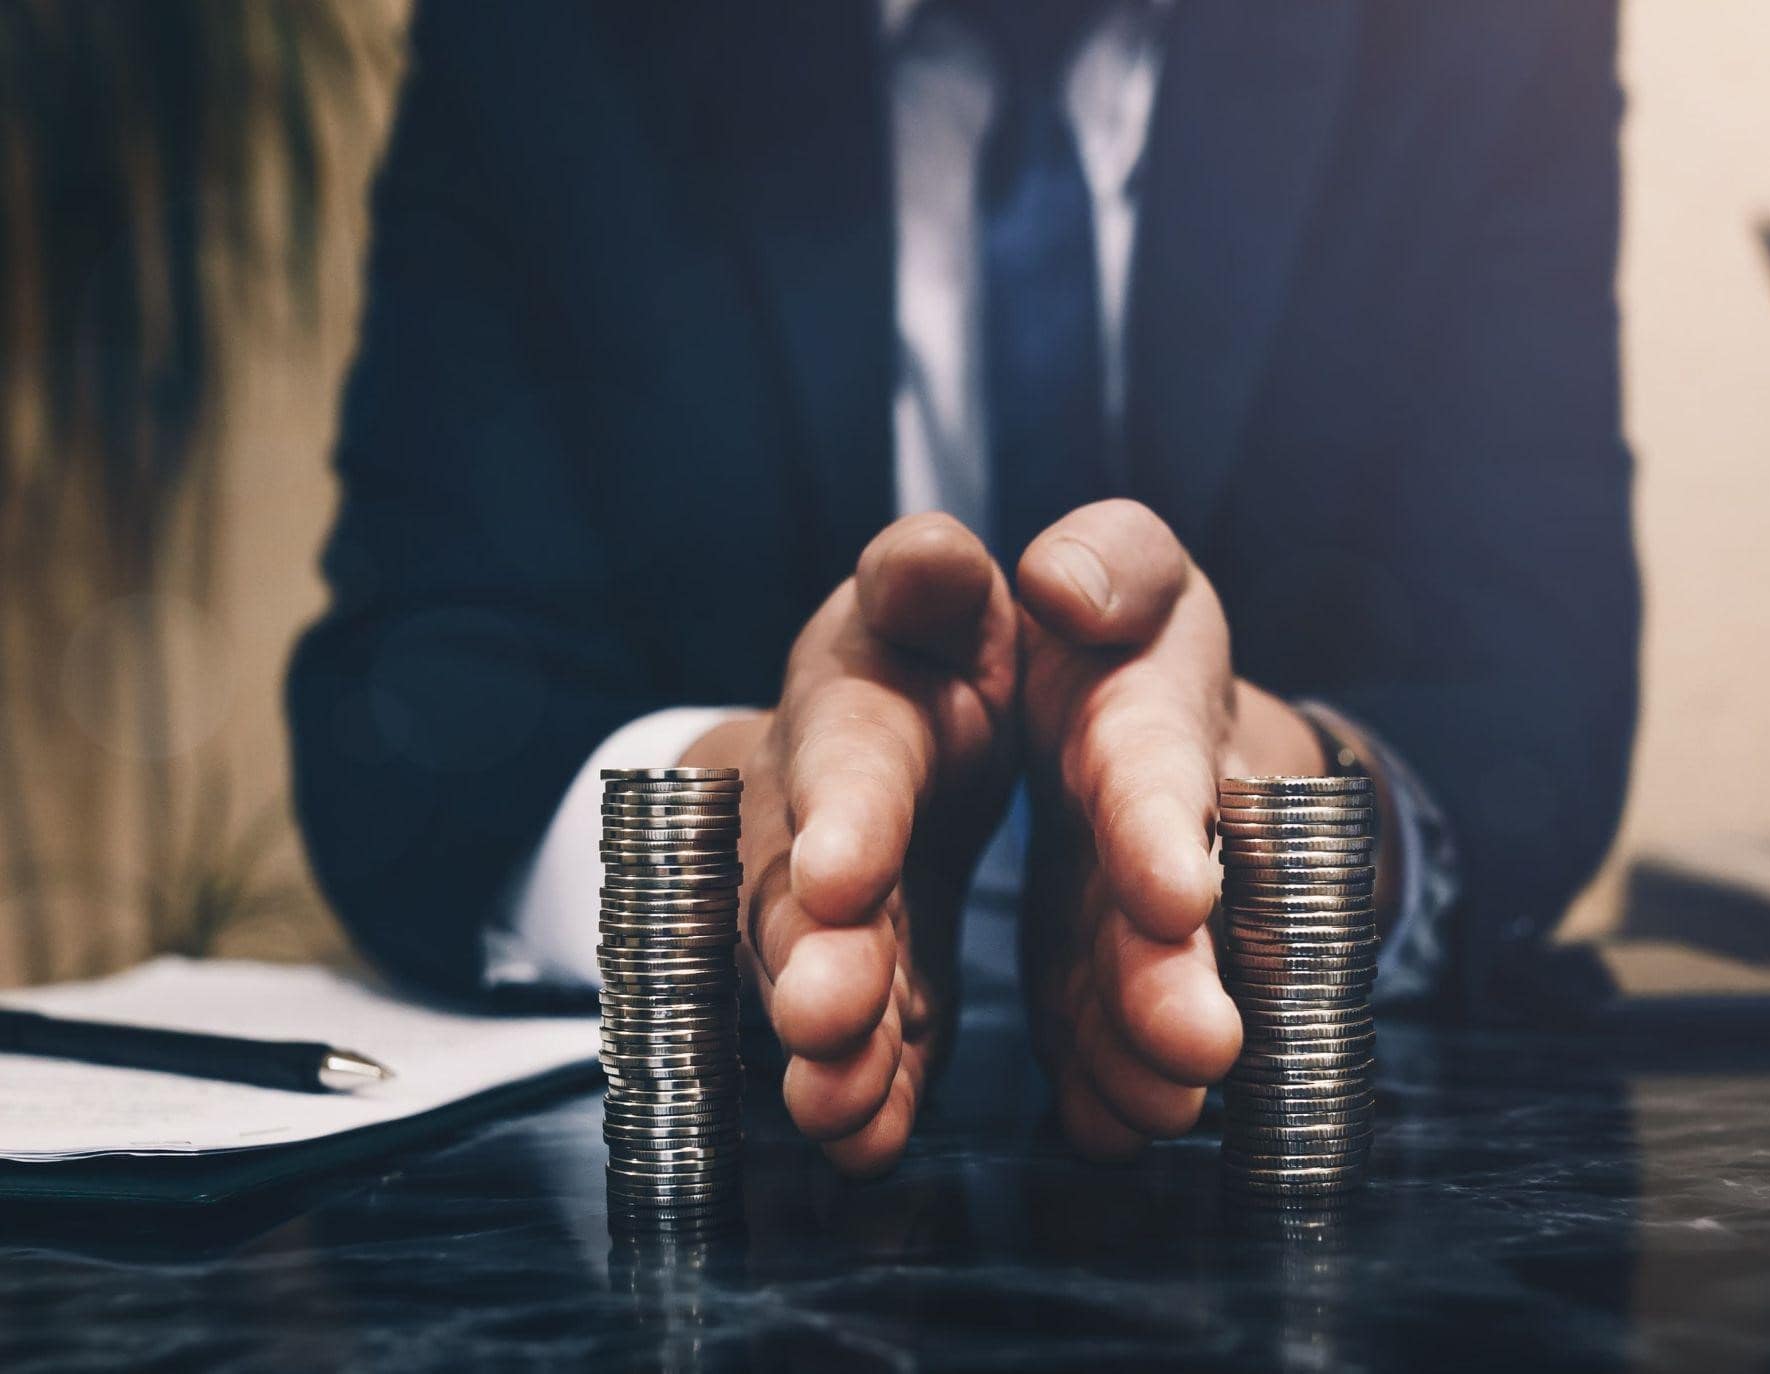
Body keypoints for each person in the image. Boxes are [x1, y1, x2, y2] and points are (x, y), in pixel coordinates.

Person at [289, 0, 1640, 1176]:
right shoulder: (555, 30)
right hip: (757, 1150)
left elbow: (1539, 701)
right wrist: (753, 812)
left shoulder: (1481, 26)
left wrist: (1255, 787)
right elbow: (406, 706)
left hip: (1278, 1144)